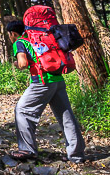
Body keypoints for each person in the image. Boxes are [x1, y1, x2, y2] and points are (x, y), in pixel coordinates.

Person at [6, 19, 85, 163]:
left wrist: (17, 63)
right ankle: (76, 154)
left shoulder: (20, 42)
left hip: (41, 82)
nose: (10, 37)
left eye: (9, 34)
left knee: (22, 110)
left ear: (13, 33)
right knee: (66, 116)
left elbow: (23, 64)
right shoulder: (38, 38)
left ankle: (27, 150)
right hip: (58, 80)